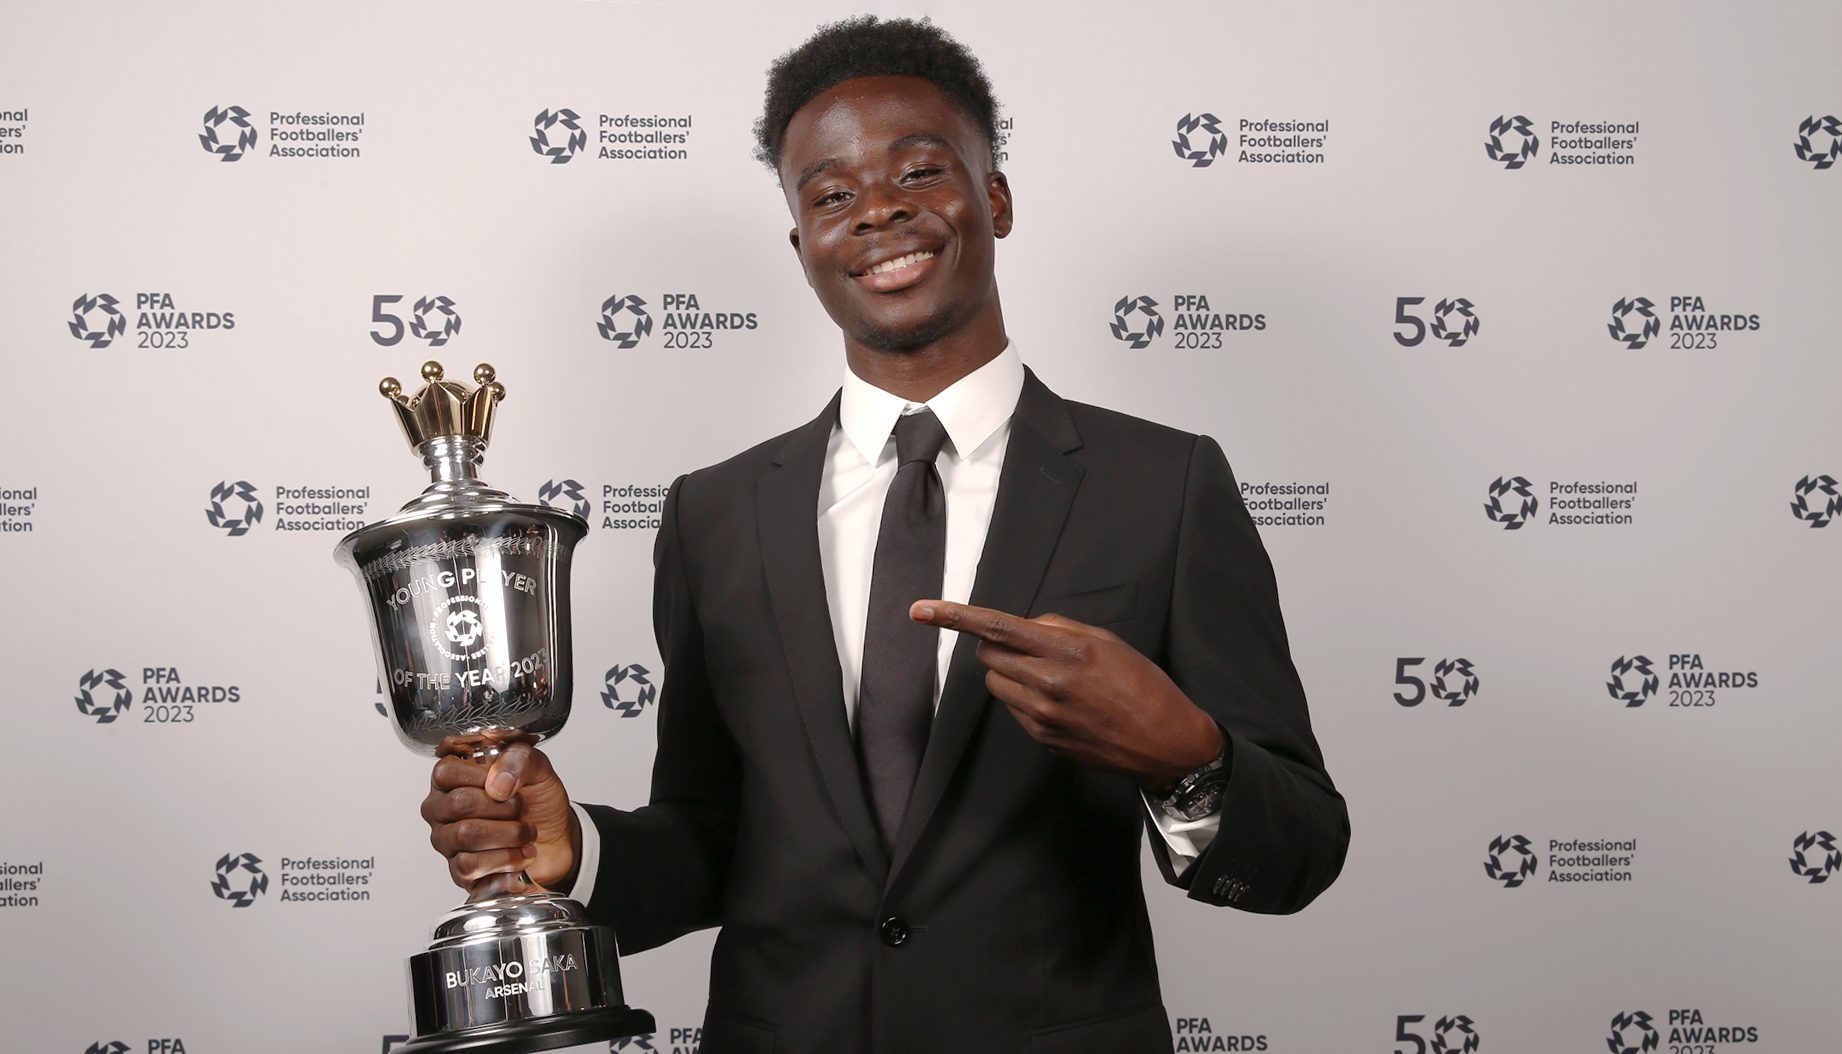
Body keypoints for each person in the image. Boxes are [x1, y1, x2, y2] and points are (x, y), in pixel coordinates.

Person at [422, 17, 1347, 1054]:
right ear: (802, 246)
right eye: (832, 195)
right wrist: (576, 847)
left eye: (920, 170)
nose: (880, 213)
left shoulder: (1163, 486)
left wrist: (1189, 755)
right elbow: (715, 836)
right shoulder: (712, 513)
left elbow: (1302, 850)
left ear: (993, 196)